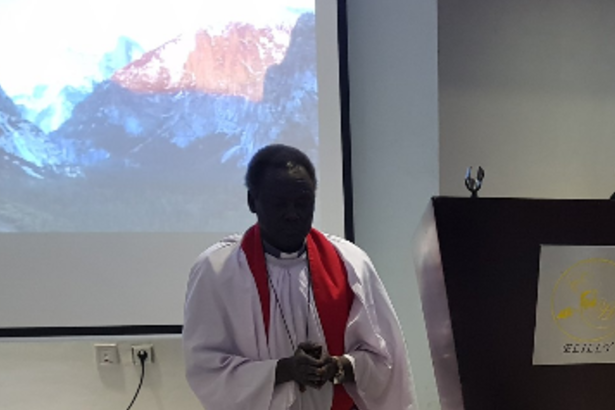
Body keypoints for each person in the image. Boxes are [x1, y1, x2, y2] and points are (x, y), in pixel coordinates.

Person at [183, 144, 414, 410]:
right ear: (252, 201)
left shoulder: (351, 263)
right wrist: (284, 370)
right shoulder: (218, 270)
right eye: (279, 203)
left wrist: (338, 366)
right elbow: (205, 367)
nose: (292, 214)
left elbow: (385, 359)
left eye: (303, 203)